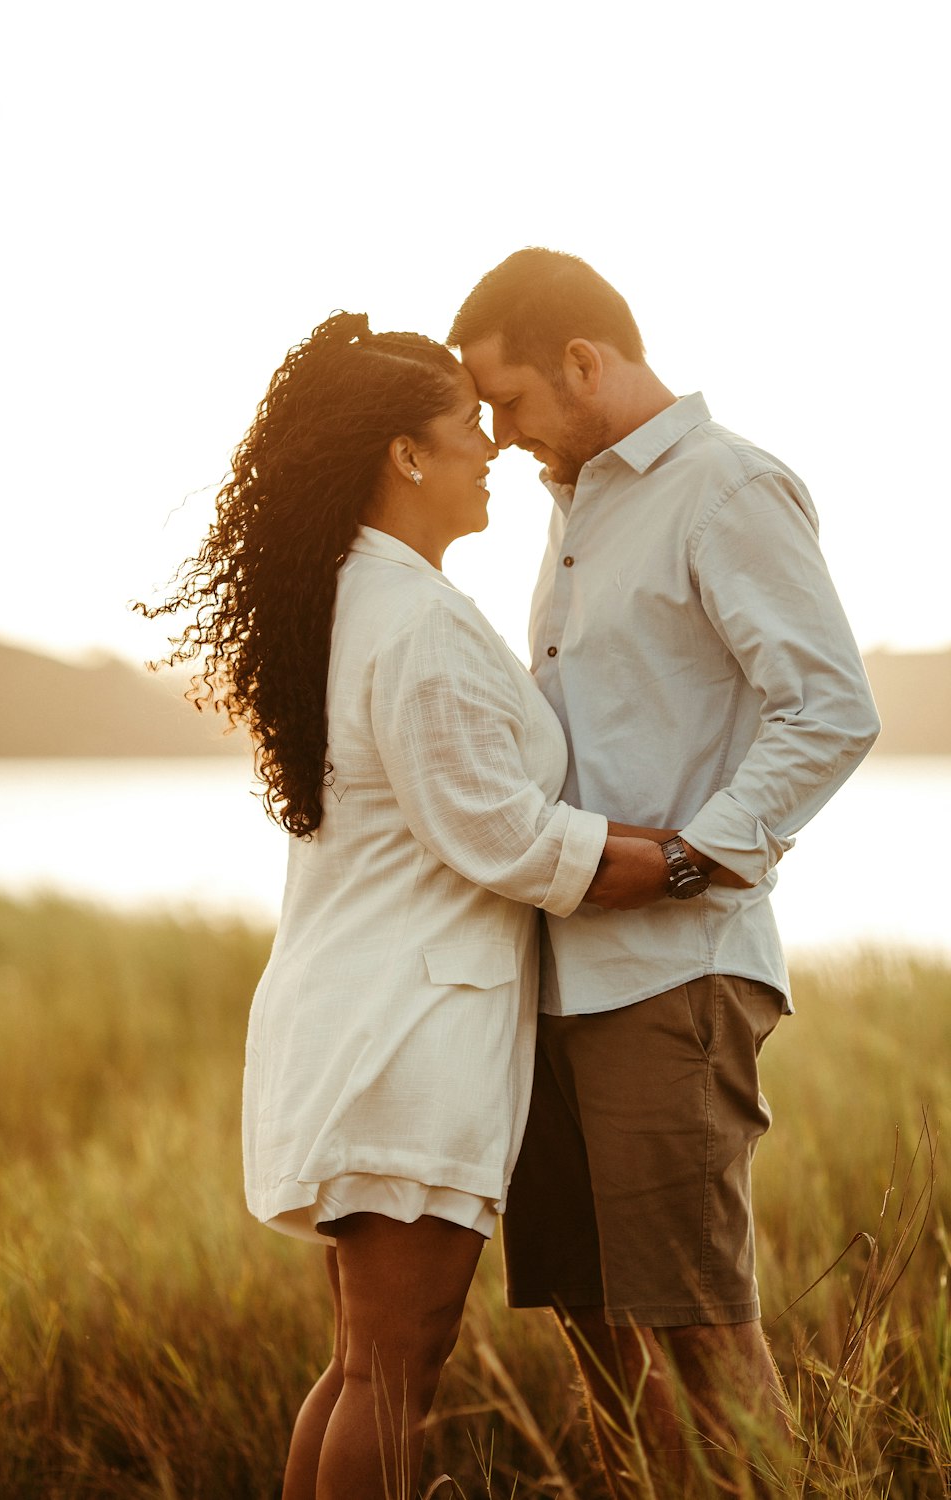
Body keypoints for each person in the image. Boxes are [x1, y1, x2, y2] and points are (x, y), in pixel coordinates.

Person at [139, 312, 701, 1500]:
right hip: (404, 1038)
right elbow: (495, 832)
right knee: (395, 1370)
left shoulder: (368, 598)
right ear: (405, 454)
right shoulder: (407, 621)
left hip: (367, 1022)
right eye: (464, 428)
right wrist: (684, 859)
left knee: (364, 1369)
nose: (489, 447)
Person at [449, 249, 881, 1494]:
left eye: (510, 399)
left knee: (699, 1322)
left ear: (584, 362)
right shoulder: (574, 501)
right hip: (555, 983)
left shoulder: (724, 487)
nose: (498, 432)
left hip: (672, 976)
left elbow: (830, 710)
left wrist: (692, 861)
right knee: (594, 1325)